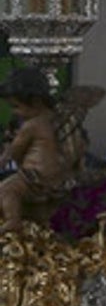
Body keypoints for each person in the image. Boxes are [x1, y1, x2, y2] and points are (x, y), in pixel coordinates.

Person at [0, 68, 64, 233]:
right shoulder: (56, 120)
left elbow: (16, 150)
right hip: (57, 178)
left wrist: (8, 156)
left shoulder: (32, 125)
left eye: (16, 106)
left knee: (6, 189)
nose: (14, 112)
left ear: (35, 102)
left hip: (35, 176)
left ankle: (12, 220)